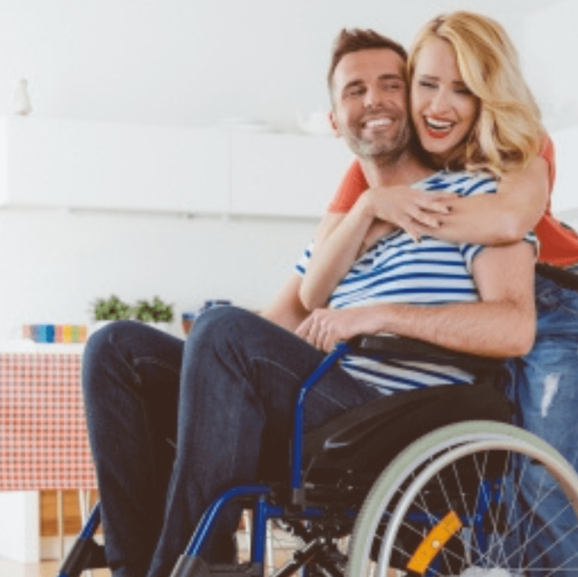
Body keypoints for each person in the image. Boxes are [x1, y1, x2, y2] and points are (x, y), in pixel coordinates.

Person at [82, 28, 536, 577]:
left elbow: (514, 327)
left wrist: (382, 314)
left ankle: (195, 564)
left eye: (391, 84)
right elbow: (269, 329)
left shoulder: (474, 199)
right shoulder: (341, 235)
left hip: (387, 415)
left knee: (223, 327)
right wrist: (367, 212)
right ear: (334, 121)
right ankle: (135, 567)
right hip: (316, 405)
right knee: (117, 346)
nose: (372, 99)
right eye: (354, 91)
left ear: (414, 102)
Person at [295, 11, 578, 574]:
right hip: (482, 301)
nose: (439, 106)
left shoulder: (520, 141)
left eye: (463, 89)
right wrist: (372, 207)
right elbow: (324, 259)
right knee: (491, 470)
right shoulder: (387, 154)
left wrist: (397, 214)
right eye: (427, 84)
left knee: (539, 469)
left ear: (488, 95)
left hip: (564, 303)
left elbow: (509, 221)